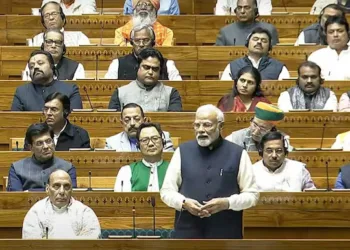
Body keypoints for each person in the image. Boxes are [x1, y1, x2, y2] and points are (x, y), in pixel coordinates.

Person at [160, 104, 259, 239]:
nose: (201, 130)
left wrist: (227, 203)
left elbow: (252, 195)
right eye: (197, 125)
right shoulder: (182, 151)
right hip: (187, 233)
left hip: (226, 233)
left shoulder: (238, 153)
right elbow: (166, 191)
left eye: (207, 125)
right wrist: (183, 203)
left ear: (220, 126)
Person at [22, 170, 100, 239]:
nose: (62, 192)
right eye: (56, 186)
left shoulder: (85, 213)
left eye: (66, 187)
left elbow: (92, 242)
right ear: (47, 189)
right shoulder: (35, 213)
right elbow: (31, 244)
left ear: (71, 190)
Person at [7, 123, 77, 191]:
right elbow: (15, 199)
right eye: (39, 143)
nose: (46, 146)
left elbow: (71, 197)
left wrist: (30, 191)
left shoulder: (68, 168)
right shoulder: (16, 169)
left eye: (48, 141)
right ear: (31, 147)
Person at [108, 48, 182, 111]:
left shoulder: (171, 93)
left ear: (160, 71)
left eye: (155, 69)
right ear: (137, 68)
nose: (150, 72)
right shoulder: (120, 93)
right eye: (146, 67)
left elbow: (174, 122)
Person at [11, 50, 82, 111]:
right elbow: (16, 122)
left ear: (52, 66)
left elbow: (75, 121)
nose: (35, 67)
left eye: (40, 63)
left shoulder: (70, 89)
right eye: (31, 66)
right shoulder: (21, 92)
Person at [105, 25, 181, 80]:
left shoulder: (168, 65)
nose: (141, 45)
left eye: (146, 40)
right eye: (137, 41)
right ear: (131, 43)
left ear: (153, 42)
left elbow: (178, 90)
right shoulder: (117, 64)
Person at [23, 92, 90, 151]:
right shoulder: (34, 132)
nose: (48, 113)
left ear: (65, 112)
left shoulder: (80, 135)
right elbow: (26, 161)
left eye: (54, 109)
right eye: (46, 109)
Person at [114, 123, 170, 192]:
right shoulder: (126, 171)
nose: (151, 144)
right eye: (145, 140)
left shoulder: (174, 169)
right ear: (138, 145)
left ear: (163, 141)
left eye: (155, 139)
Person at [220, 27, 290, 80]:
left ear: (269, 46)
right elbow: (225, 91)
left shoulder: (279, 68)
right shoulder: (233, 66)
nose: (259, 42)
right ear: (247, 43)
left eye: (264, 40)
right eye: (255, 39)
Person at [225, 102, 292, 152]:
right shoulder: (234, 138)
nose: (256, 132)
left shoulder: (283, 140)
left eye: (262, 128)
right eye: (254, 125)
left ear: (272, 128)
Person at [105, 103, 174, 151]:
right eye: (127, 120)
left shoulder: (162, 136)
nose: (132, 123)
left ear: (144, 120)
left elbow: (169, 163)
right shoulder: (112, 142)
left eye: (136, 119)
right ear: (122, 123)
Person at [308, 16, 350, 80]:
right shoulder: (316, 57)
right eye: (331, 32)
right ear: (326, 35)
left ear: (348, 33)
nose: (335, 35)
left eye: (340, 31)